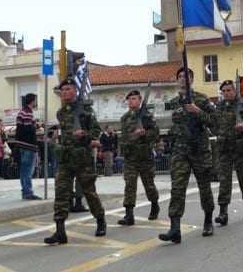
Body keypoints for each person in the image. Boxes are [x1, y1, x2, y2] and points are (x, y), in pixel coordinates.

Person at [44, 77, 106, 245]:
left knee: (89, 192)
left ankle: (100, 220)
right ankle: (60, 231)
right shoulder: (61, 112)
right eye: (63, 90)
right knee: (61, 192)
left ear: (75, 91)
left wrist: (85, 135)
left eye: (69, 89)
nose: (65, 92)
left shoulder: (85, 110)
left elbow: (96, 131)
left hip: (82, 158)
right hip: (66, 157)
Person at [159, 68, 216, 244]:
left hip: (199, 150)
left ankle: (208, 220)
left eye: (187, 76)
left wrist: (197, 111)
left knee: (204, 187)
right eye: (181, 77)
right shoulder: (174, 102)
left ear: (192, 79)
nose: (184, 79)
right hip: (180, 151)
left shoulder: (202, 99)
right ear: (177, 80)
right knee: (177, 188)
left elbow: (215, 122)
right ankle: (175, 228)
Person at [213, 80, 243, 226]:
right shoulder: (219, 107)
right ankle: (223, 212)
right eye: (224, 91)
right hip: (224, 148)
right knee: (224, 180)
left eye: (229, 90)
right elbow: (214, 124)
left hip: (240, 148)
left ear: (235, 91)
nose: (226, 93)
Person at [117, 90, 160, 226]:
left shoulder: (147, 116)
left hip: (145, 157)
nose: (131, 101)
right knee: (129, 185)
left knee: (149, 185)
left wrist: (144, 133)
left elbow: (155, 134)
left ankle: (154, 205)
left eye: (134, 99)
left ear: (140, 100)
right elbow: (123, 137)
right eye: (129, 99)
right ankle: (129, 215)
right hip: (130, 158)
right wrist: (129, 140)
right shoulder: (125, 118)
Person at [16, 93, 41, 200]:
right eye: (35, 100)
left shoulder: (22, 111)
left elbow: (22, 127)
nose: (36, 102)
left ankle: (25, 190)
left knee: (23, 169)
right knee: (28, 169)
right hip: (28, 144)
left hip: (22, 144)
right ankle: (28, 192)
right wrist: (35, 126)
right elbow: (28, 129)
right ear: (32, 101)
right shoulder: (28, 112)